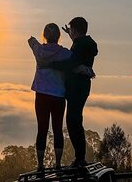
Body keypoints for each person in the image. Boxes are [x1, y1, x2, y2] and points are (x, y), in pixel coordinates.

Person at [28, 23, 95, 172]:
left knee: (42, 129)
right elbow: (74, 66)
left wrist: (34, 41)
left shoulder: (39, 51)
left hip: (41, 95)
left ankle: (40, 165)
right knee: (57, 129)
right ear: (59, 36)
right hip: (58, 95)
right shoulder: (65, 53)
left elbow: (31, 42)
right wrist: (88, 71)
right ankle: (57, 164)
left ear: (44, 35)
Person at [49, 17, 98, 167]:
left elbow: (71, 63)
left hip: (76, 88)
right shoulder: (84, 44)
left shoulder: (80, 45)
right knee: (75, 121)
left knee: (73, 122)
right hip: (80, 87)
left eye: (71, 30)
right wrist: (72, 37)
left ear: (75, 30)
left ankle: (80, 159)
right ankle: (80, 157)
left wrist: (51, 64)